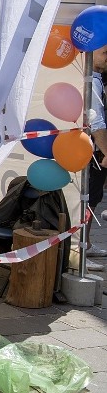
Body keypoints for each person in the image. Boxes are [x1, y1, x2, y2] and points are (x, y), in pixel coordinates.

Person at [85, 44, 107, 271]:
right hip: (92, 153)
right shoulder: (90, 80)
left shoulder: (100, 79)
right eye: (105, 53)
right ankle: (80, 248)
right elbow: (95, 121)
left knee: (94, 198)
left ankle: (87, 244)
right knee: (88, 200)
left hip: (97, 151)